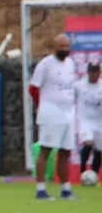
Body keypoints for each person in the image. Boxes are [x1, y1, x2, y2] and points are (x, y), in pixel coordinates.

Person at [29, 34, 78, 200]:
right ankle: (41, 189)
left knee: (65, 151)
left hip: (68, 114)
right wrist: (41, 105)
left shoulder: (70, 63)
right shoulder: (46, 64)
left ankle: (66, 189)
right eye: (61, 46)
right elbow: (33, 88)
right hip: (51, 113)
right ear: (54, 47)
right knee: (46, 149)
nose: (65, 49)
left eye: (67, 46)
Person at [77, 61, 102, 178]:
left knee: (99, 150)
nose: (95, 74)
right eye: (92, 71)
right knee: (88, 144)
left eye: (97, 71)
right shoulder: (79, 86)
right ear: (88, 72)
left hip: (99, 121)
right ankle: (82, 171)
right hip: (85, 120)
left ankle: (94, 175)